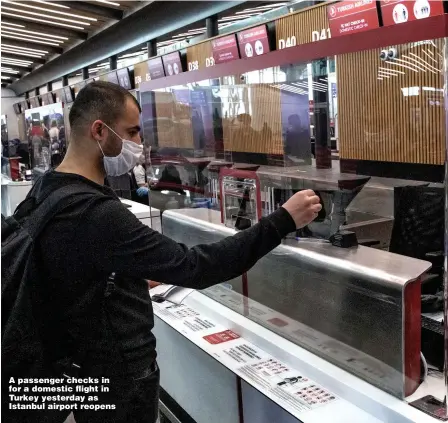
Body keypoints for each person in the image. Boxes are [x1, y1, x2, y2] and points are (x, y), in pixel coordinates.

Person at [32, 81, 322, 423]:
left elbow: (79, 273)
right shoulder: (94, 213)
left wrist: (130, 275)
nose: (139, 144)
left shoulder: (47, 189)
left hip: (83, 367)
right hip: (119, 378)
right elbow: (195, 267)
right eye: (132, 132)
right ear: (99, 130)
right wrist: (282, 220)